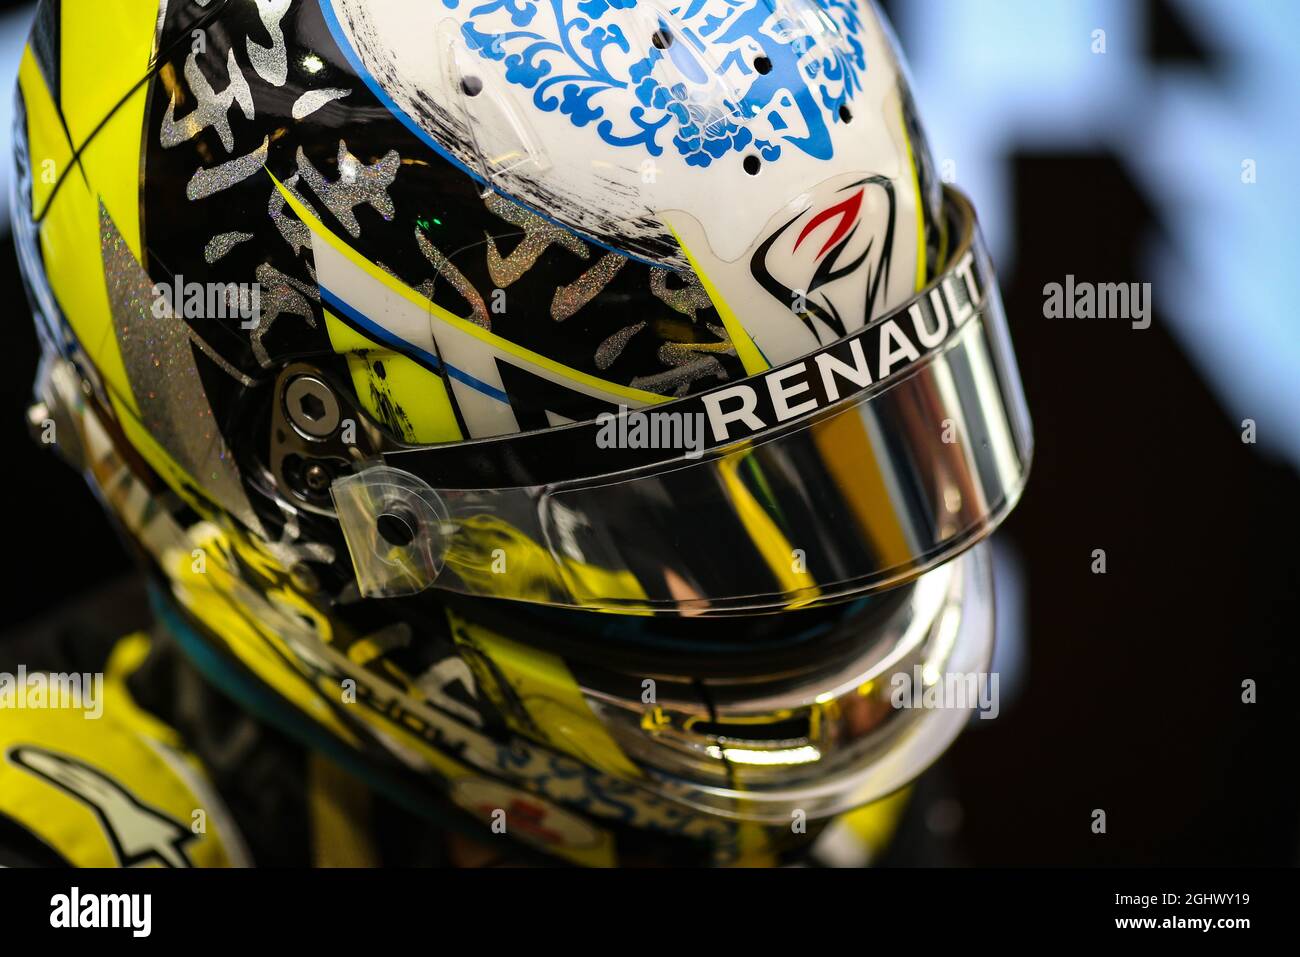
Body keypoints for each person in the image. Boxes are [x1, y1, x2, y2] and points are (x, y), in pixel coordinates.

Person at [2, 0, 1030, 867]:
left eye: (833, 466)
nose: (815, 603)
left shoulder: (849, 817)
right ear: (302, 484)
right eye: (648, 532)